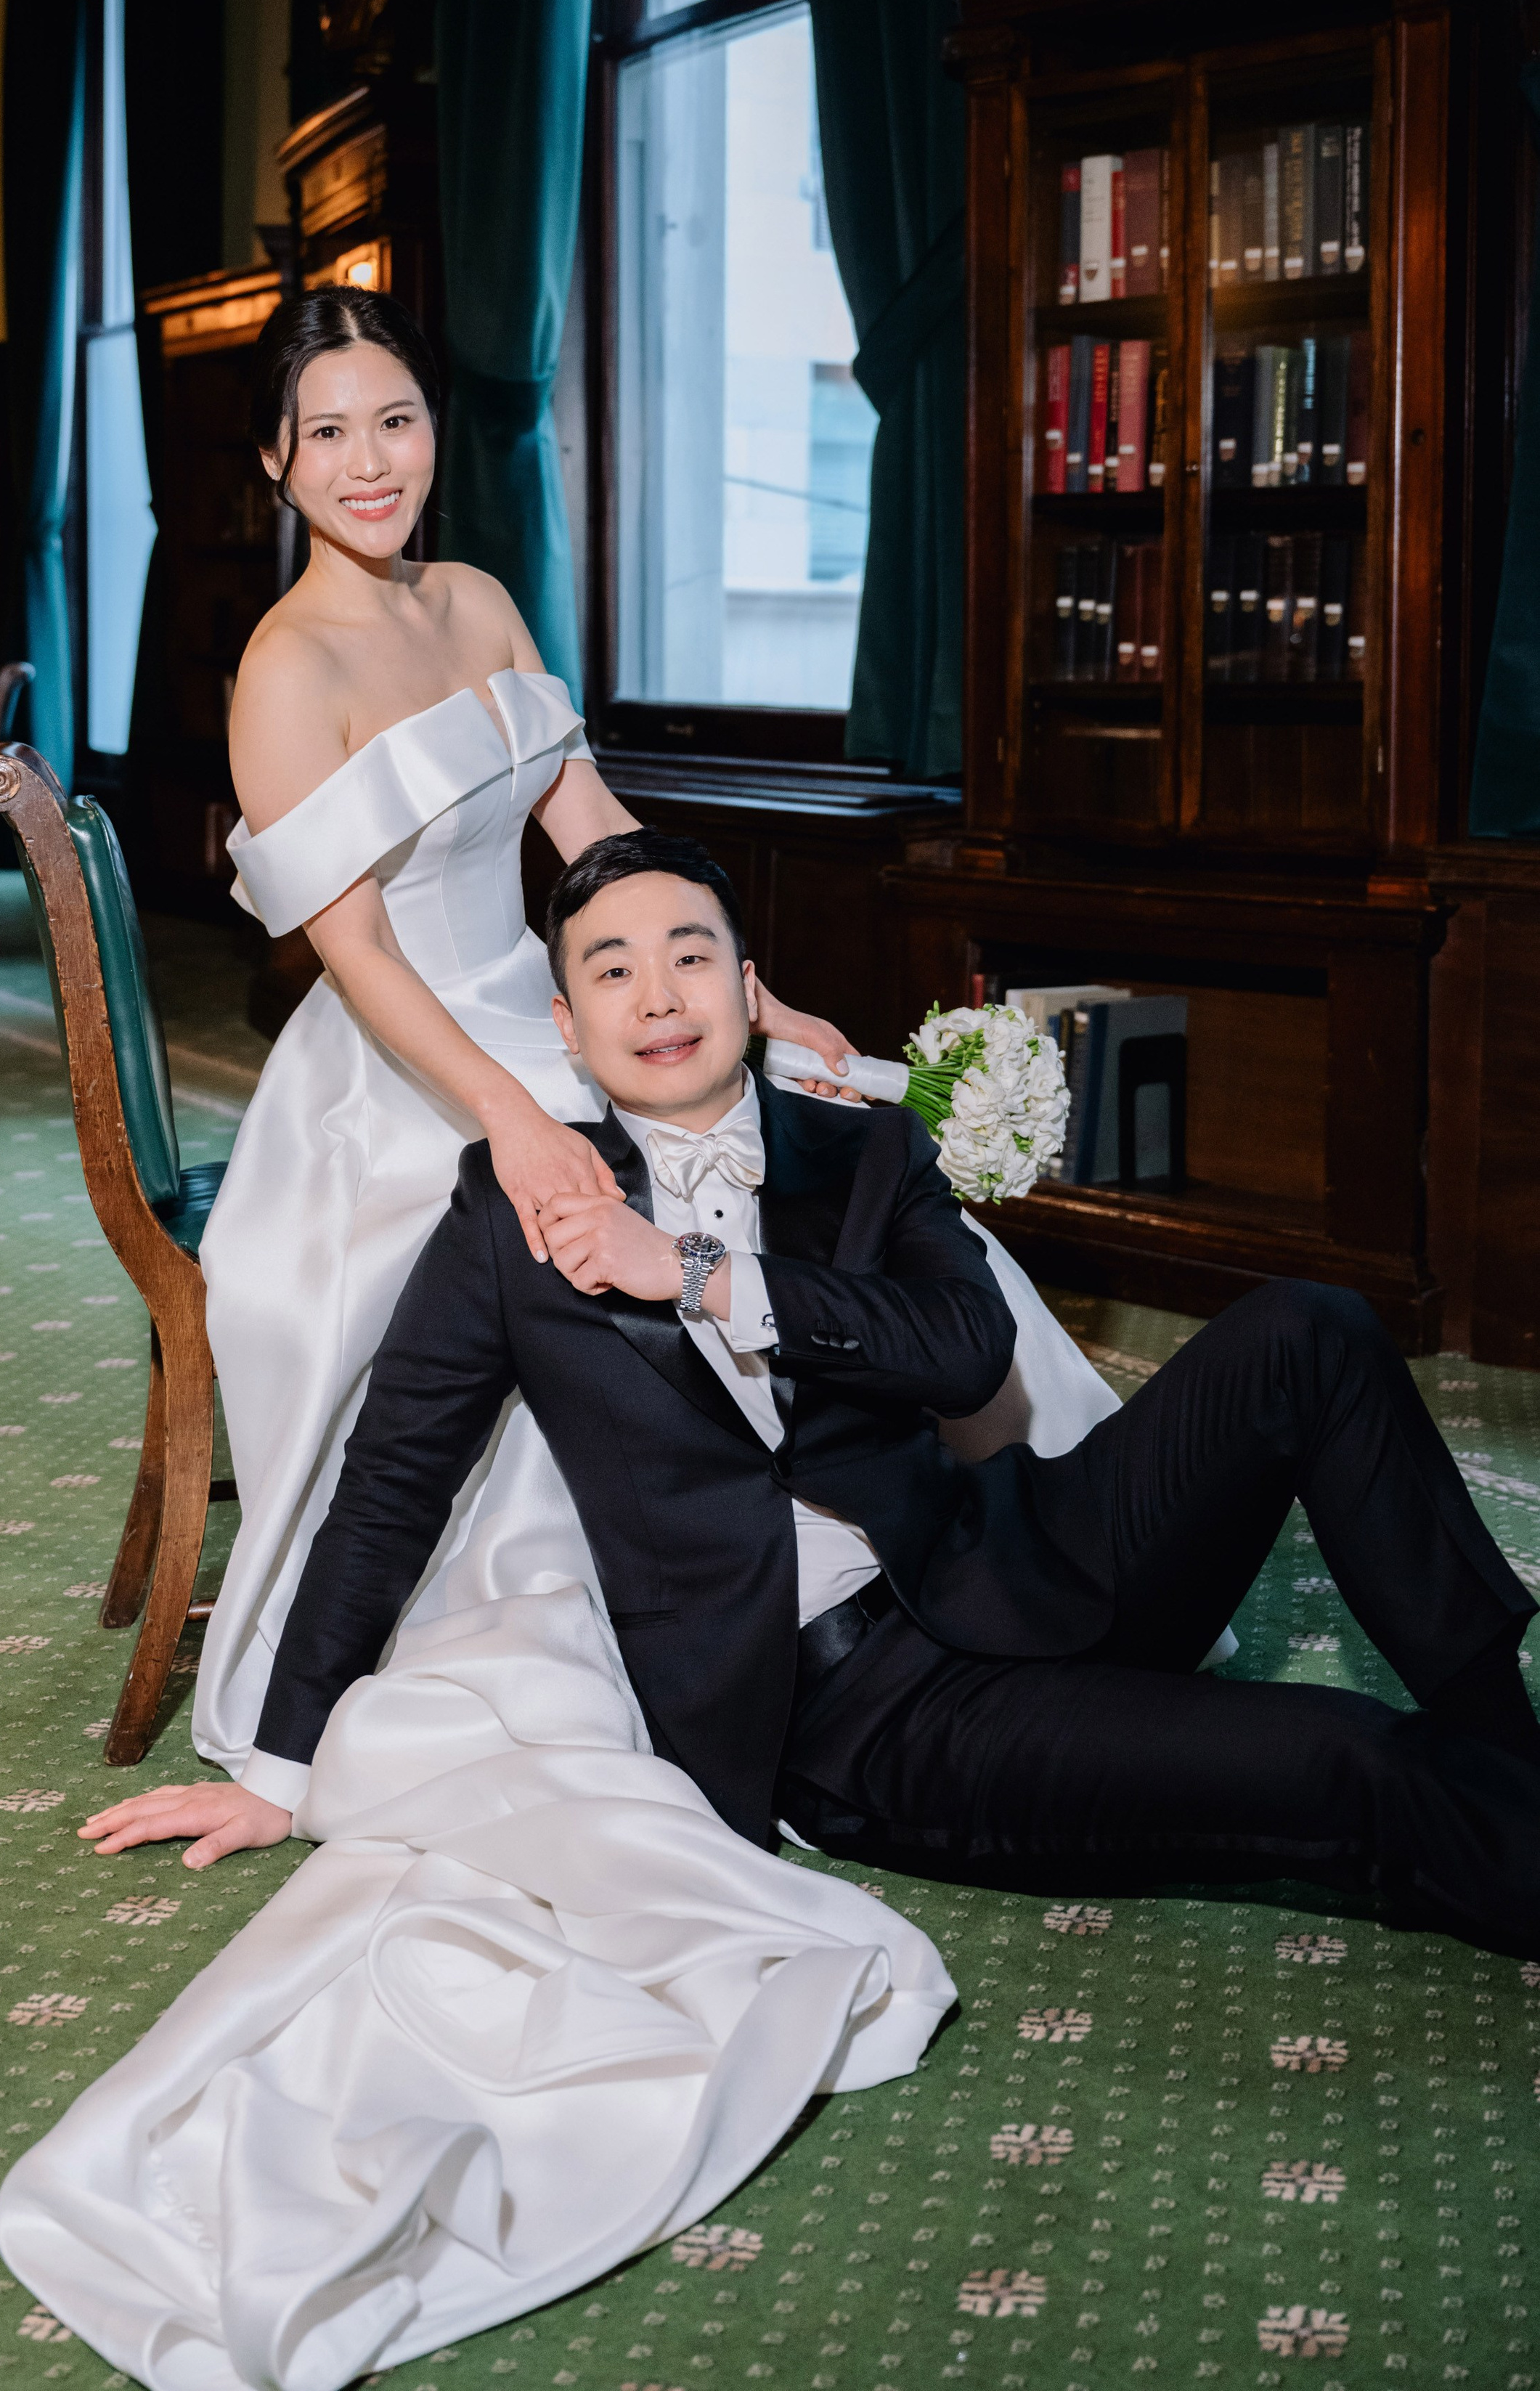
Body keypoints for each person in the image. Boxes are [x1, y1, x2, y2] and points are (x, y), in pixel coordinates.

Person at [110, 828, 1540, 1955]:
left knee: (1310, 1325)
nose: (656, 995)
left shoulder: (855, 1151)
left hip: (1014, 1561)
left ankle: (1505, 1736)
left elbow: (962, 1354)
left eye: (689, 957)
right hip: (869, 1714)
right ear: (565, 1019)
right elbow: (391, 1482)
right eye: (611, 970)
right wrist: (282, 1769)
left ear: (746, 987)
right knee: (1353, 1764)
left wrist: (693, 1271)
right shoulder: (512, 1210)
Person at [189, 282, 879, 1780]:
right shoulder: (282, 669)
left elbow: (597, 842)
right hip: (394, 1057)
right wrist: (507, 1113)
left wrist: (748, 1000)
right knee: (573, 1206)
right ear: (273, 463)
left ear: (436, 426)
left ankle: (861, 1551)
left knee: (831, 1109)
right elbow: (353, 946)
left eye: (396, 420)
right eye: (325, 435)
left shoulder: (483, 603)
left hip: (540, 996)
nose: (369, 462)